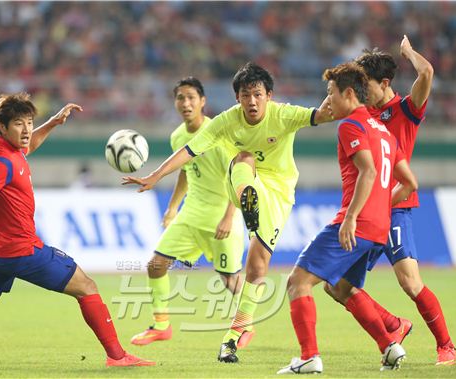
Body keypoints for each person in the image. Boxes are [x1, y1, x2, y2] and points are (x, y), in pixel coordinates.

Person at [0, 93, 154, 368]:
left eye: (30, 122)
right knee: (87, 286)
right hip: (21, 250)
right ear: (2, 127)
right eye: (19, 124)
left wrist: (54, 122)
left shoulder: (8, 148)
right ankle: (117, 356)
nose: (26, 130)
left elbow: (30, 144)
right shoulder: (0, 162)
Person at [122, 62, 333, 362]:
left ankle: (236, 332)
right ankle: (164, 324)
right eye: (245, 95)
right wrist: (156, 176)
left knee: (256, 269)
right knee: (243, 158)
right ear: (237, 98)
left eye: (257, 94)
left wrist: (343, 95)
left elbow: (322, 115)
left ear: (268, 96)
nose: (252, 101)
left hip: (277, 193)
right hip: (235, 189)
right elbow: (189, 156)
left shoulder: (283, 114)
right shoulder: (223, 123)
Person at [324, 35, 456, 366]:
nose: (363, 91)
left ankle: (446, 346)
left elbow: (425, 74)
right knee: (334, 283)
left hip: (396, 208)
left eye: (367, 84)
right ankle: (394, 325)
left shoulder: (406, 109)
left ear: (384, 82)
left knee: (410, 282)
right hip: (366, 211)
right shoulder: (364, 114)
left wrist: (410, 52)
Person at [277, 62, 418, 374]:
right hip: (379, 228)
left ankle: (309, 356)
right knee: (340, 286)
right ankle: (389, 346)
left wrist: (352, 217)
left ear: (350, 93)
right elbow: (409, 183)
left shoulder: (351, 125)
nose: (327, 102)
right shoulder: (383, 130)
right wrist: (380, 209)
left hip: (357, 222)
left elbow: (368, 171)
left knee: (297, 282)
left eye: (330, 94)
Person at [130, 77, 245, 346]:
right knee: (156, 265)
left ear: (203, 101)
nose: (186, 103)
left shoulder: (218, 133)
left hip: (221, 216)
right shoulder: (178, 136)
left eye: (191, 97)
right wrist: (172, 208)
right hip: (191, 214)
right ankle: (161, 326)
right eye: (180, 98)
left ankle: (244, 325)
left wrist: (230, 215)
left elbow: (238, 174)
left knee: (230, 280)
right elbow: (185, 170)